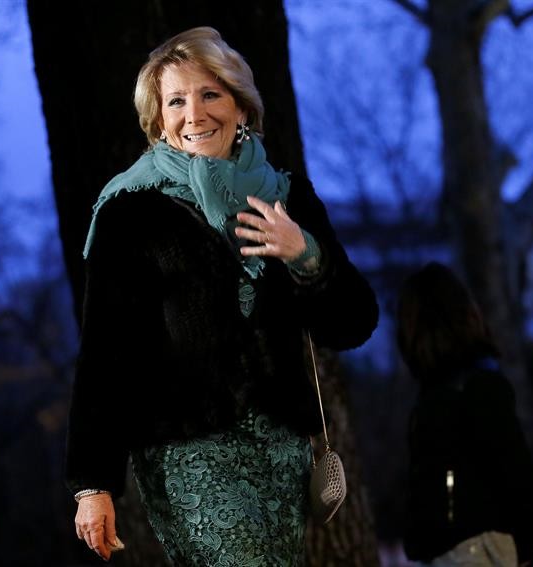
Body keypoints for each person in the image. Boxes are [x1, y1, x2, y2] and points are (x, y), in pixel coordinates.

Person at [65, 26, 379, 565]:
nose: (194, 114)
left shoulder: (286, 195)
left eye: (210, 94)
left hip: (282, 451)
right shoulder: (130, 212)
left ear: (241, 106)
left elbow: (353, 324)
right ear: (158, 120)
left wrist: (304, 253)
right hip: (189, 452)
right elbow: (104, 354)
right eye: (176, 101)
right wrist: (92, 483)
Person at [396, 262, 533, 566]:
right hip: (478, 545)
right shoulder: (475, 385)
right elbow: (516, 470)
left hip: (462, 546)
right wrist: (527, 543)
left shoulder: (440, 397)